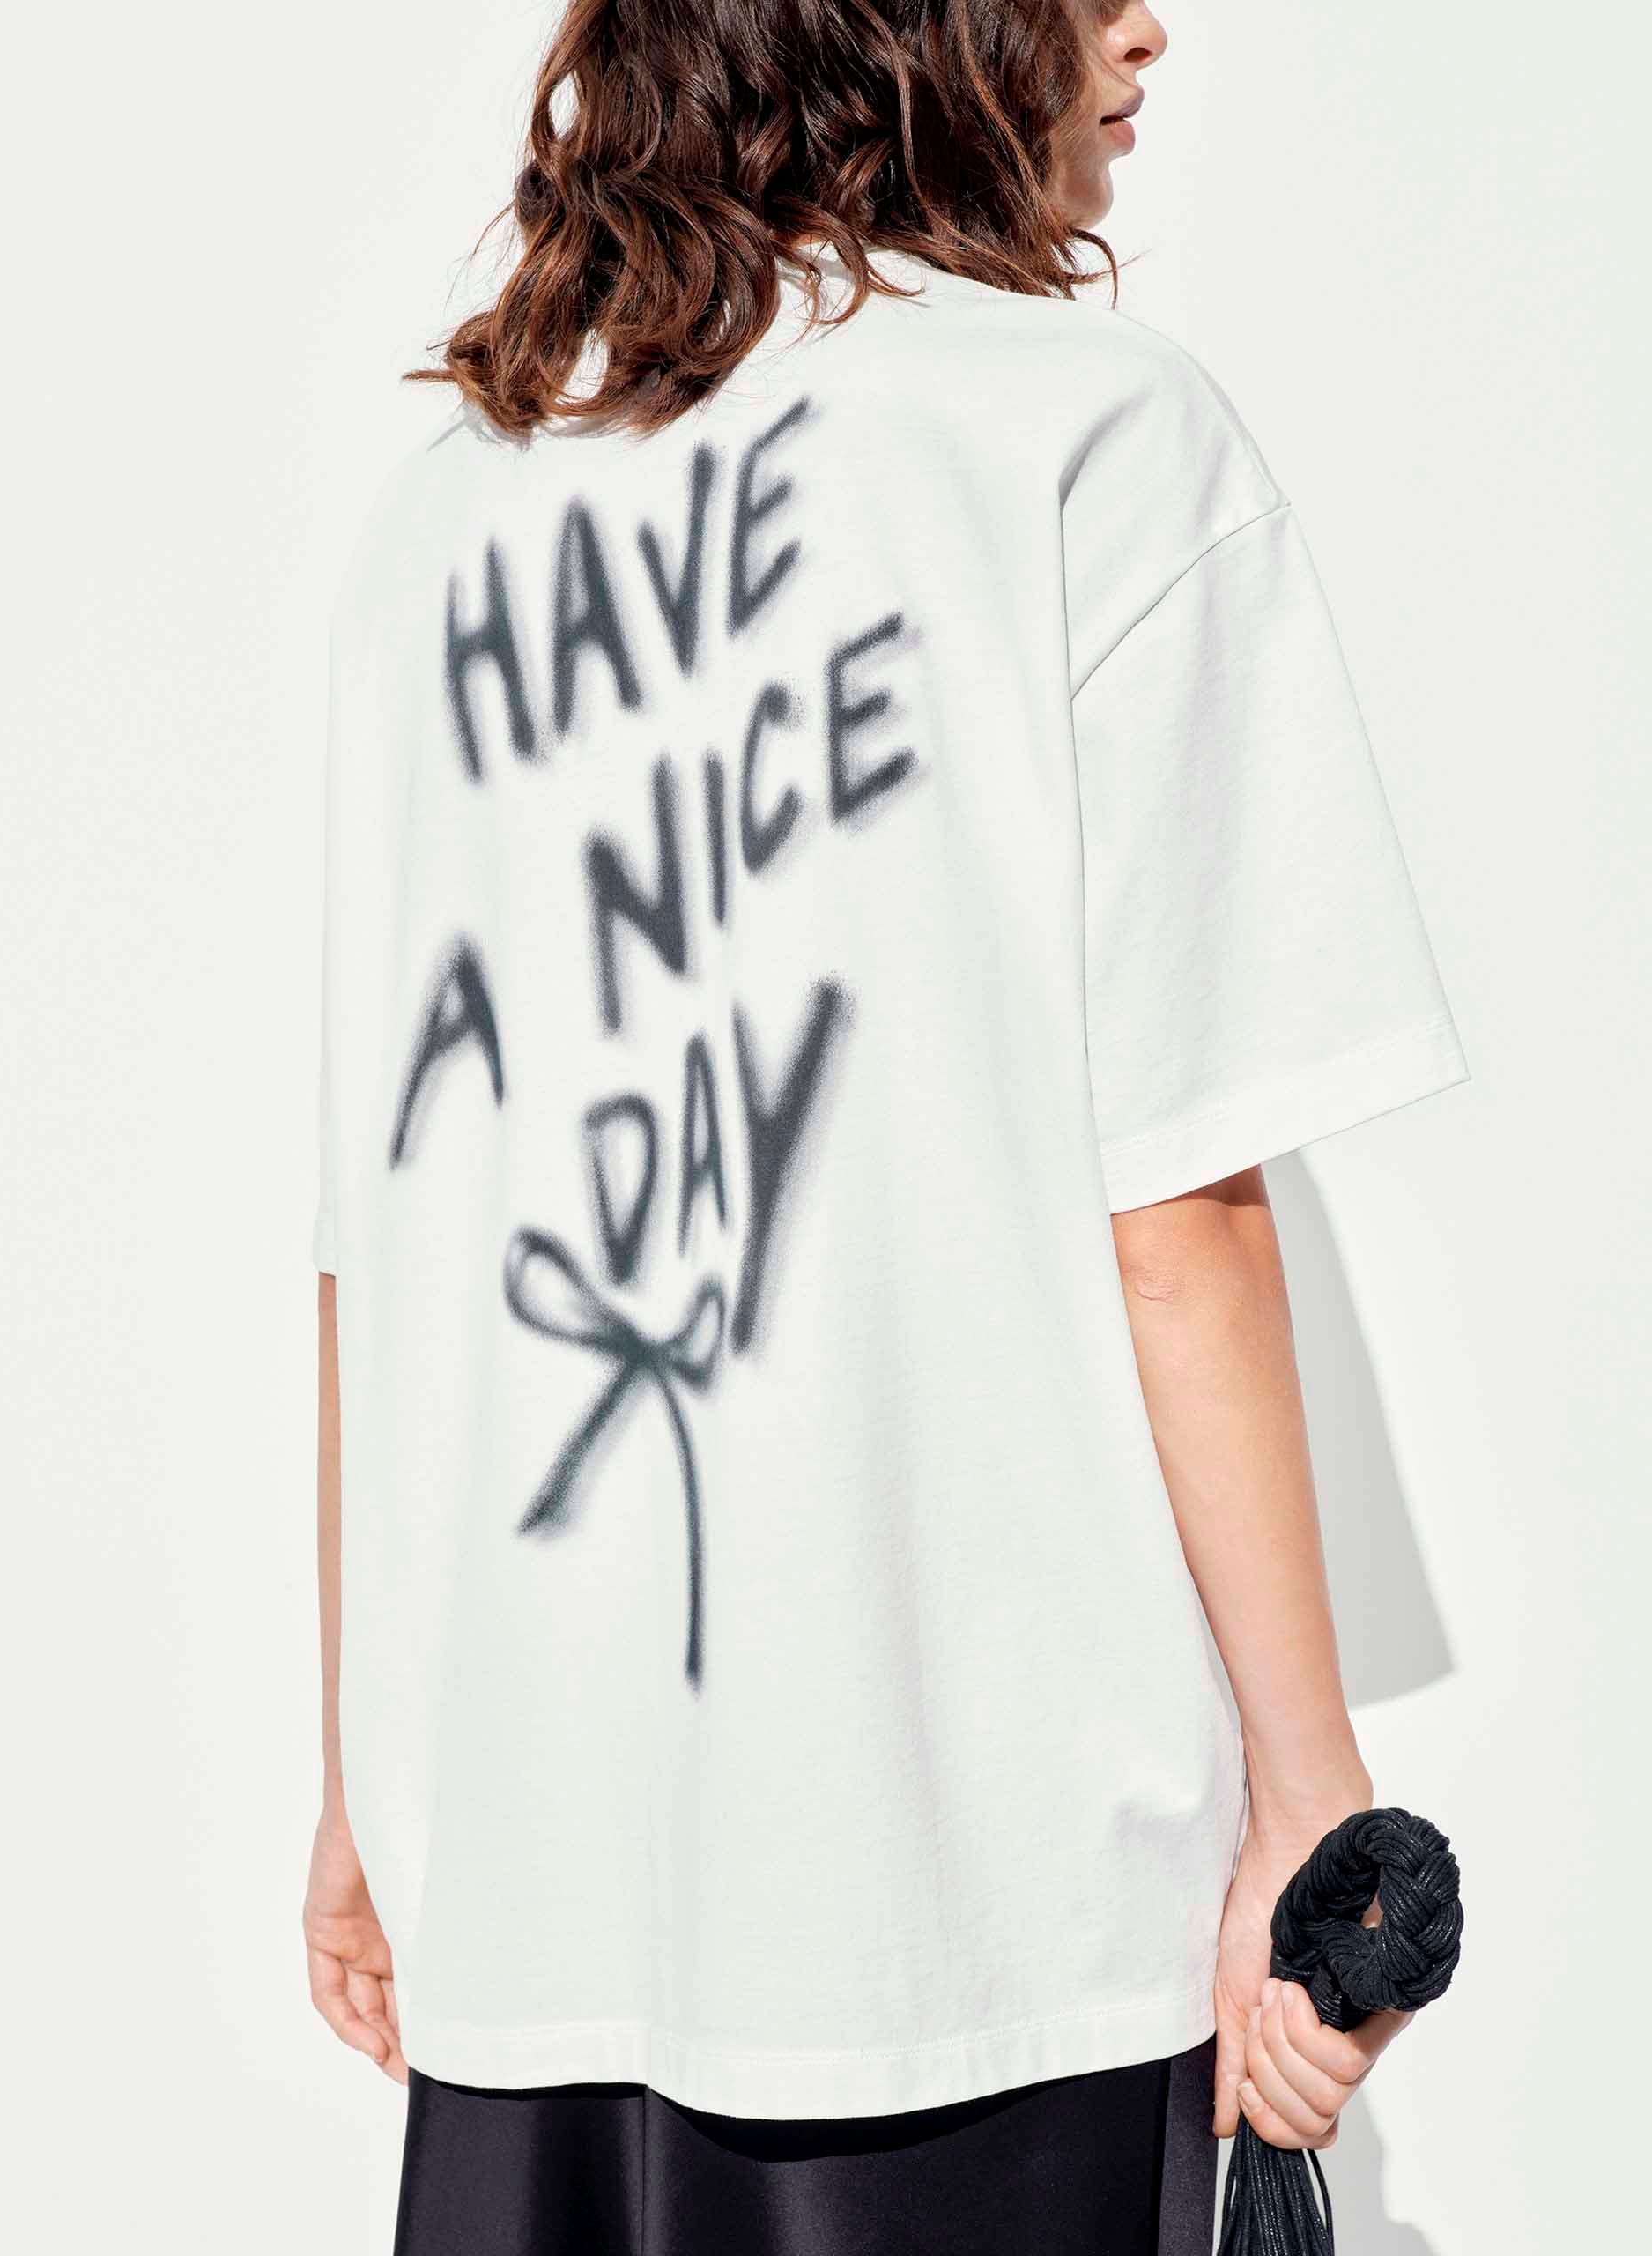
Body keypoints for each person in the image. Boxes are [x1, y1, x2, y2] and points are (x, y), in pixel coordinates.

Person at [304, 4, 1466, 2250]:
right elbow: (1180, 1210)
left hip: (529, 1886)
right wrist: (1311, 1794)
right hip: (971, 1916)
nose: (1145, 25)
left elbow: (379, 1230)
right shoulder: (1087, 439)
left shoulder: (448, 514)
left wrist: (366, 1789)